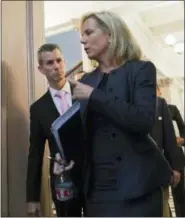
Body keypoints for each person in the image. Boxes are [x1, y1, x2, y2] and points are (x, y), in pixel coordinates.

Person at [64, 11, 173, 216]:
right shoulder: (86, 81)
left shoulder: (141, 70)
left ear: (110, 34)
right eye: (82, 34)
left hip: (139, 187)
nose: (82, 39)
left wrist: (95, 96)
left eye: (88, 32)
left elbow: (142, 120)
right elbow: (83, 135)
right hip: (97, 190)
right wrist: (67, 158)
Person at [26, 43, 85, 217]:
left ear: (64, 62)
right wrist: (32, 198)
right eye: (50, 63)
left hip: (93, 176)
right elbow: (35, 154)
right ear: (41, 69)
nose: (56, 66)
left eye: (59, 60)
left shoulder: (84, 93)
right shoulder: (38, 108)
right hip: (62, 181)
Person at [150, 86, 183, 216]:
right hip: (134, 173)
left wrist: (176, 167)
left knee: (163, 208)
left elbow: (170, 136)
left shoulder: (163, 106)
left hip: (162, 166)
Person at [168, 103, 185, 217]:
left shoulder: (172, 109)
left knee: (180, 194)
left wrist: (182, 140)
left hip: (176, 158)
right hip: (157, 157)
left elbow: (183, 128)